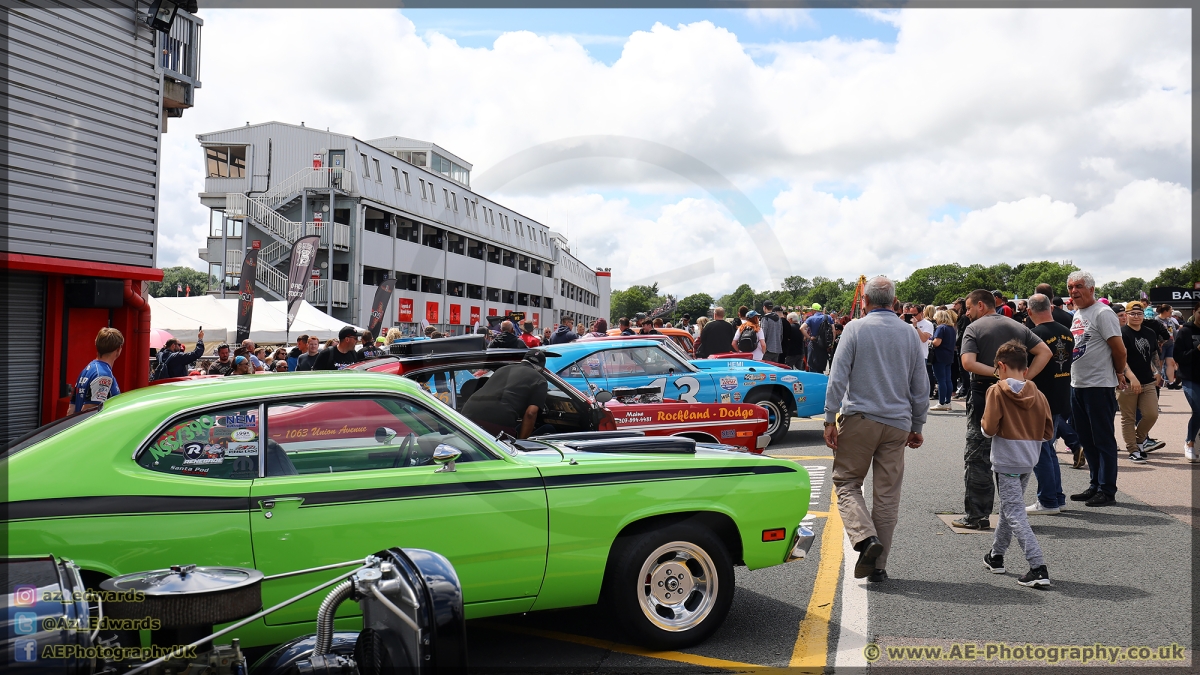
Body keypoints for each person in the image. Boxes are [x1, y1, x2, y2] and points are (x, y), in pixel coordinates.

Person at [823, 276, 928, 583]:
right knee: (887, 495)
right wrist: (917, 424)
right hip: (897, 423)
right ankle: (878, 566)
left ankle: (866, 538)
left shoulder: (855, 328)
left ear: (865, 301)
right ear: (894, 303)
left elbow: (838, 376)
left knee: (846, 482)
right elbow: (920, 386)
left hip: (861, 419)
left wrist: (830, 418)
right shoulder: (910, 333)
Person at [956, 289, 1051, 529]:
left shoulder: (974, 328)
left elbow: (968, 363)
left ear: (980, 305)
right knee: (1009, 456)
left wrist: (997, 374)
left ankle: (976, 516)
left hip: (983, 395)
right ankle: (1012, 514)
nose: (967, 313)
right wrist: (1023, 378)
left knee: (978, 457)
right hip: (1016, 396)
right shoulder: (1018, 326)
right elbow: (1045, 352)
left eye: (968, 308)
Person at [980, 340, 1054, 588]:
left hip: (1006, 458)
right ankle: (996, 556)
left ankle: (1038, 566)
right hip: (1029, 457)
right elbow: (1048, 432)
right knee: (1010, 507)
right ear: (1024, 368)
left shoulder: (996, 391)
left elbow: (989, 429)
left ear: (1000, 366)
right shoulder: (1039, 393)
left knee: (1013, 512)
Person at [1066, 270, 1127, 507]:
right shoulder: (1078, 314)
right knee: (1086, 439)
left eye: (1079, 286)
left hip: (1099, 385)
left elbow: (1120, 349)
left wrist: (1119, 373)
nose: (1074, 291)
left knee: (1103, 439)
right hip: (1078, 384)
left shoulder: (1103, 313)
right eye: (1071, 287)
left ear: (1091, 289)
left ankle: (1107, 489)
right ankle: (1095, 484)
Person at [1025, 294, 1081, 512]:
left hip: (1041, 396)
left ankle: (1048, 500)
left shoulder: (1034, 335)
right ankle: (1057, 498)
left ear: (1029, 312)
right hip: (1062, 392)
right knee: (1048, 449)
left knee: (1041, 451)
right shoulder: (1066, 331)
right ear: (1050, 307)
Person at [461, 350, 550, 439]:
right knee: (549, 428)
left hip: (468, 413)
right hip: (497, 420)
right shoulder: (540, 379)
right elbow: (531, 413)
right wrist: (521, 442)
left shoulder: (503, 369)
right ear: (541, 368)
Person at [1118, 301, 1163, 462]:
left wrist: (1158, 370)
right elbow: (1119, 358)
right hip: (1127, 383)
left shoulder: (1150, 332)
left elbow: (1153, 353)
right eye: (1132, 313)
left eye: (1139, 314)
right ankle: (1133, 449)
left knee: (1152, 414)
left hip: (1148, 381)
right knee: (1128, 417)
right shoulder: (1122, 333)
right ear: (1126, 315)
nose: (1136, 317)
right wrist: (1131, 377)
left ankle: (1140, 439)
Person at [71, 328, 124, 413]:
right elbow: (90, 411)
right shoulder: (103, 375)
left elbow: (71, 409)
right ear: (118, 349)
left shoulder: (87, 369)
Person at [1172, 300, 1200, 462]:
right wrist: (1196, 350)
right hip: (1190, 377)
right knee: (1198, 409)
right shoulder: (1185, 332)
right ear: (1194, 312)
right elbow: (1178, 357)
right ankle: (1189, 443)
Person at [929, 310, 957, 411]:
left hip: (939, 356)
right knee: (947, 380)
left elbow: (937, 343)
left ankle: (941, 402)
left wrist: (930, 341)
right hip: (949, 355)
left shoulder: (941, 328)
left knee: (941, 380)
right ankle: (948, 401)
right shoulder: (951, 328)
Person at [801, 303, 833, 373]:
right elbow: (833, 330)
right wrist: (831, 343)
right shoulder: (828, 317)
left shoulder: (811, 319)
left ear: (814, 310)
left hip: (814, 344)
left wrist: (809, 337)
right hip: (824, 346)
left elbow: (801, 328)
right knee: (821, 367)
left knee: (812, 367)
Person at [1157, 304, 1181, 389]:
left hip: (1170, 344)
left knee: (1171, 362)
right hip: (1161, 344)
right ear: (1165, 311)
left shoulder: (1170, 320)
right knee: (1159, 363)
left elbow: (1177, 329)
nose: (1172, 312)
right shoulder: (1157, 320)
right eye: (1170, 311)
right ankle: (1157, 382)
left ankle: (1171, 383)